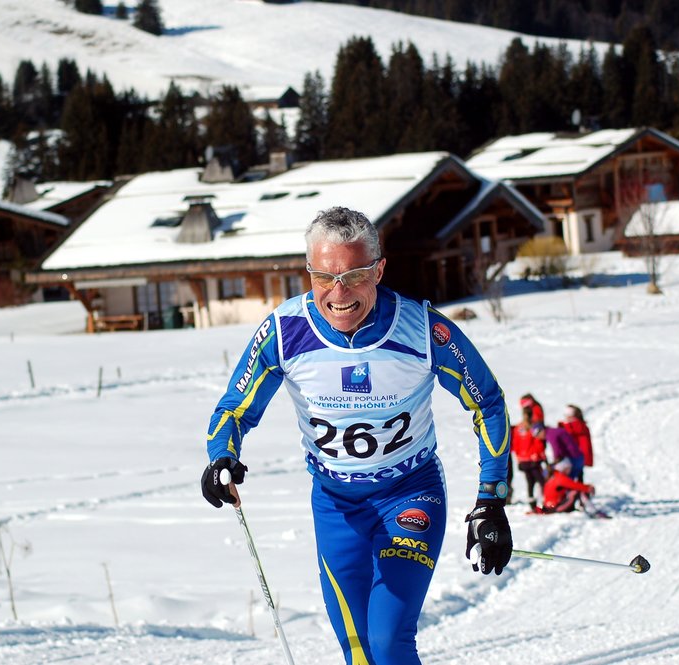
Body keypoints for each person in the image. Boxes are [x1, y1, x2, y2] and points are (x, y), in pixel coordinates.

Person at [201, 207, 512, 664]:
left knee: (388, 643)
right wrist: (221, 456)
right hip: (335, 506)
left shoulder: (423, 330)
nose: (338, 292)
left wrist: (491, 498)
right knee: (358, 650)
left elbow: (486, 401)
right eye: (324, 276)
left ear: (379, 269)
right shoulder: (284, 333)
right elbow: (235, 408)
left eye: (354, 275)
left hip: (409, 495)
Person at [510, 403, 547, 512]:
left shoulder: (518, 428)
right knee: (541, 481)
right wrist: (540, 455)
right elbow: (538, 443)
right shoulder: (534, 427)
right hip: (533, 459)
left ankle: (533, 504)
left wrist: (519, 457)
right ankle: (545, 502)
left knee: (530, 482)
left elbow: (515, 444)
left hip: (523, 459)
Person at [559, 405, 593, 481]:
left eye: (568, 416)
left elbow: (570, 433)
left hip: (577, 456)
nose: (566, 418)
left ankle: (579, 491)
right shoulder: (573, 425)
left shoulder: (578, 426)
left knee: (576, 475)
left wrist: (564, 425)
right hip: (573, 455)